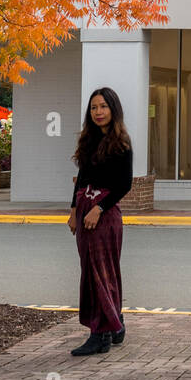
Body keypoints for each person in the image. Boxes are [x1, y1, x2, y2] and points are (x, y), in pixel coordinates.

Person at [66, 87, 133, 356]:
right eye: (94, 107)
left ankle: (100, 334)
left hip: (104, 218)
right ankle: (115, 325)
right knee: (91, 271)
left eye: (103, 106)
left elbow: (124, 184)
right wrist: (74, 210)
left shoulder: (121, 144)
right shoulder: (89, 141)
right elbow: (82, 179)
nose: (98, 112)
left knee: (101, 274)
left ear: (113, 109)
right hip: (84, 213)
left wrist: (99, 209)